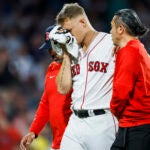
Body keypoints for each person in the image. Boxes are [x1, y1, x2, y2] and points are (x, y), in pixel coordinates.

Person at [52, 3, 118, 150]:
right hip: (75, 123)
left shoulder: (111, 43)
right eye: (65, 33)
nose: (68, 36)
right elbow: (62, 89)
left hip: (102, 122)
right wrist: (66, 55)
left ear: (82, 22)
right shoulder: (72, 51)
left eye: (69, 30)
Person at [20, 25, 72, 150]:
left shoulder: (79, 67)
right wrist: (33, 131)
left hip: (76, 139)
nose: (50, 53)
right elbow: (46, 103)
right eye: (49, 49)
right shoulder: (51, 68)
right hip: (57, 142)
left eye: (53, 47)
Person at [110, 9, 150, 150]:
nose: (111, 31)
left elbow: (121, 93)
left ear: (120, 29)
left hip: (136, 127)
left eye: (112, 27)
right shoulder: (138, 48)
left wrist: (113, 110)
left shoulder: (129, 52)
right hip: (138, 125)